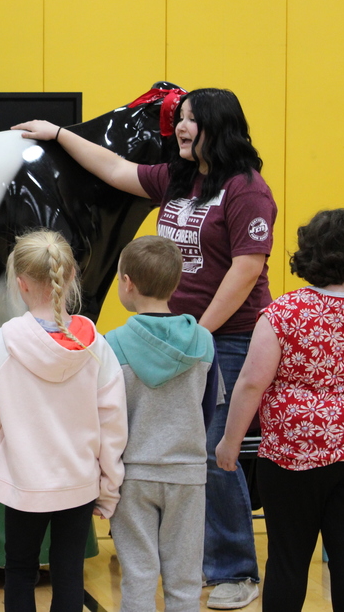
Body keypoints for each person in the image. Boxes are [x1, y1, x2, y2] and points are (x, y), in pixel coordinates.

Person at [14, 87, 274, 609]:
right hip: (180, 334)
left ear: (217, 127)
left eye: (191, 120)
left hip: (224, 338)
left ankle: (235, 569)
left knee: (211, 450)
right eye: (179, 118)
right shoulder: (179, 179)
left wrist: (196, 331)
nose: (180, 127)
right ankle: (179, 558)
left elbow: (247, 269)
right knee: (173, 450)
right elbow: (115, 169)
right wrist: (60, 134)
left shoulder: (247, 190)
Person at [216, 209, 344, 612]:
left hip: (294, 451)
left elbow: (252, 382)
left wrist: (229, 442)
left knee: (288, 560)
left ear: (308, 252)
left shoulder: (284, 312)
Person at [0, 229, 127, 612]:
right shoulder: (97, 345)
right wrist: (110, 485)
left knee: (19, 570)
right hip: (79, 483)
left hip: (21, 483)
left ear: (19, 284)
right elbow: (113, 423)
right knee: (69, 572)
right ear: (70, 277)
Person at [104, 236, 218, 612]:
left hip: (133, 475)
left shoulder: (111, 344)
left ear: (127, 282)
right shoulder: (204, 341)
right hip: (187, 473)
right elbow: (208, 410)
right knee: (185, 581)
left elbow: (106, 416)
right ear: (177, 282)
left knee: (137, 577)